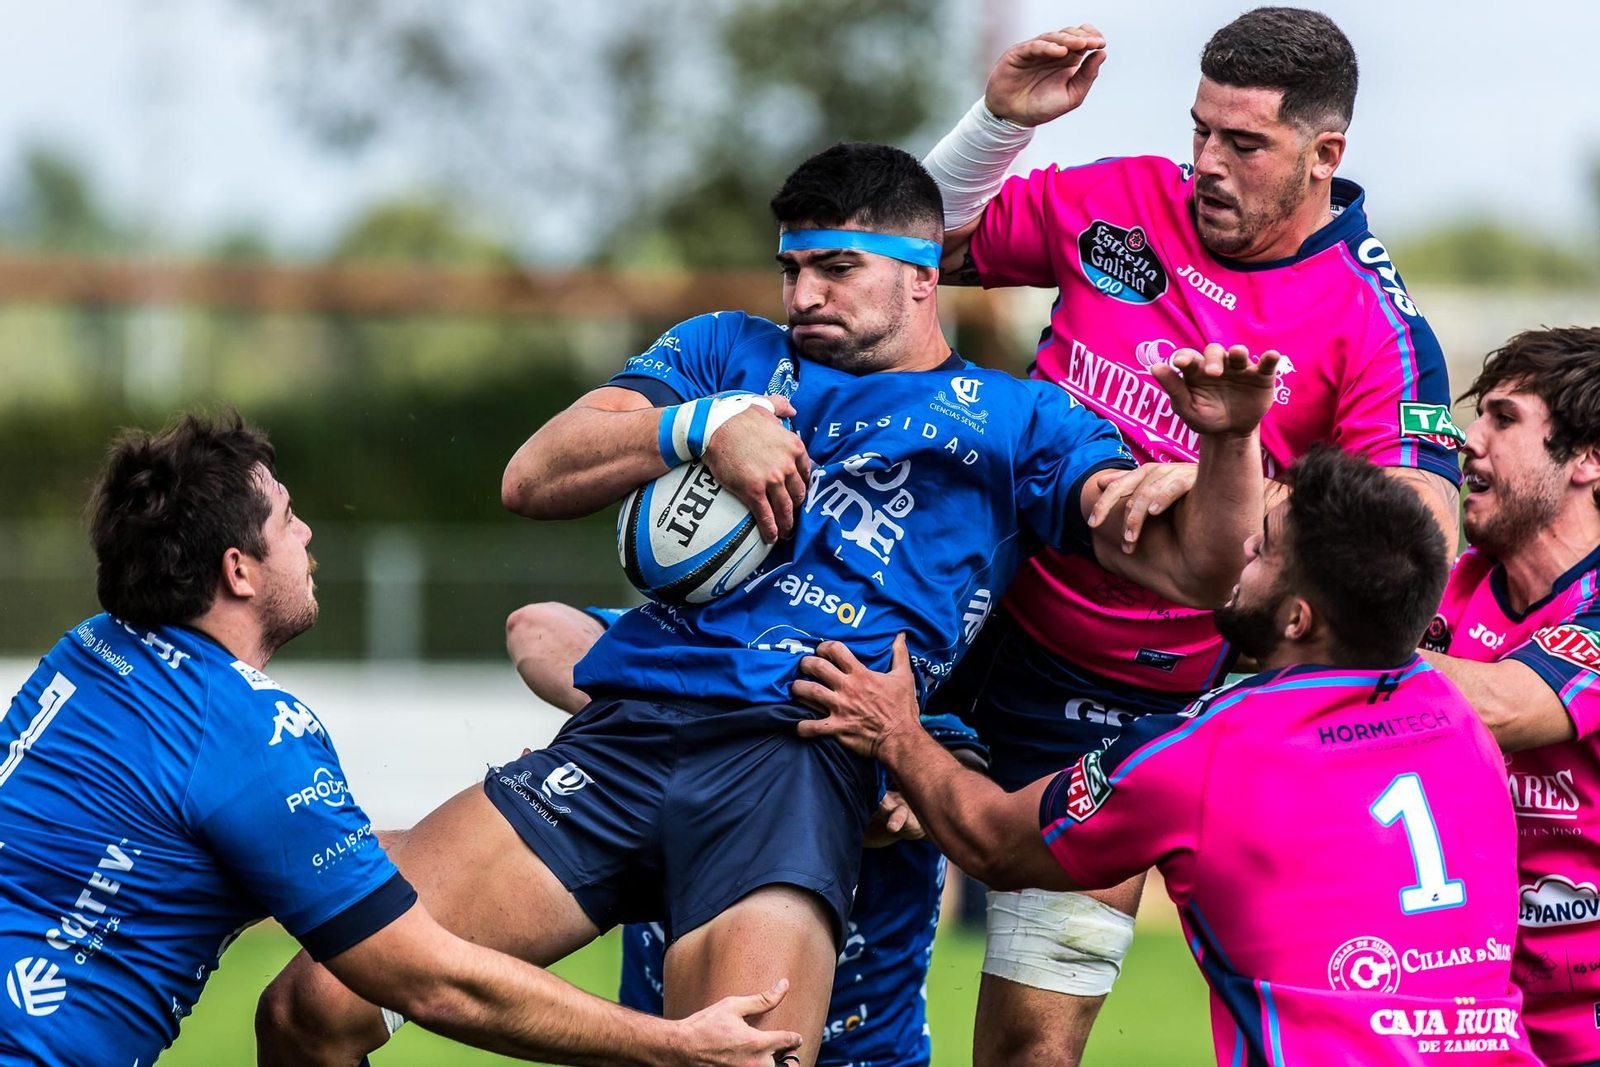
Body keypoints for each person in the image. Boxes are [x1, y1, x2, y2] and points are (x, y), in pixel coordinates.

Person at [255, 141, 1279, 1067]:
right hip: (625, 735)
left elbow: (1199, 569)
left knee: (743, 1056)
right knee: (311, 1007)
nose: (805, 294)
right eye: (792, 268)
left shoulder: (1020, 422)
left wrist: (1228, 443)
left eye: (837, 269)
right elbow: (533, 475)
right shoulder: (723, 352)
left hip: (793, 758)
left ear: (923, 276)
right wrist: (701, 428)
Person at [916, 9, 1464, 1062]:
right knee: (834, 933)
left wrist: (1232, 479)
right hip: (951, 608)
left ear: (1324, 153)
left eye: (1242, 144)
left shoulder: (1371, 322)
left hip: (1120, 698)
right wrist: (994, 124)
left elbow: (1417, 539)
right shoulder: (1120, 199)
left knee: (1028, 1047)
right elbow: (903, 251)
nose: (1205, 163)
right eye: (1199, 130)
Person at [0, 412, 801, 1067]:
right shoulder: (249, 734)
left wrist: (524, 823)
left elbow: (233, 851)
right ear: (238, 570)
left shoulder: (92, 650)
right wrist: (673, 1043)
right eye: (287, 518)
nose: (309, 531)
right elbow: (432, 981)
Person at [794, 446, 1539, 1066]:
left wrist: (896, 732)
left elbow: (993, 840)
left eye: (1267, 546)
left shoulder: (1209, 746)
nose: (1246, 546)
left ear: (1298, 617)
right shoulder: (1460, 717)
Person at [505, 601, 990, 1067]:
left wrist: (908, 794)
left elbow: (969, 779)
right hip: (662, 1036)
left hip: (864, 1048)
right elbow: (533, 627)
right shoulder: (694, 644)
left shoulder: (892, 707)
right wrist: (625, 716)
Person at [1407, 328, 1600, 1066]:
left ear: (1588, 457)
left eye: (1503, 417)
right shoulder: (1447, 588)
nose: (1467, 438)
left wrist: (1341, 634)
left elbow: (1502, 705)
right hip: (1463, 1014)